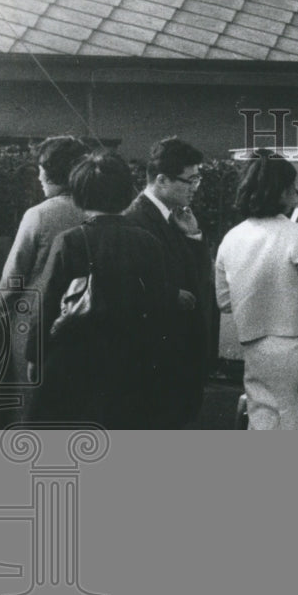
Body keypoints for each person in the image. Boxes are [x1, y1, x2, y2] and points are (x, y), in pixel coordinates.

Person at [25, 152, 173, 427]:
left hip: (73, 359)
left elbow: (46, 303)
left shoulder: (70, 241)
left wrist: (35, 355)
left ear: (79, 194)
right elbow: (160, 305)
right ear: (126, 193)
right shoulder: (149, 243)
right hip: (131, 362)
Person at [214, 149, 298, 429]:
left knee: (264, 421)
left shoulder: (231, 238)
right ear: (282, 191)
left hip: (254, 347)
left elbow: (223, 301)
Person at [0, 136, 89, 410]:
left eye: (41, 167)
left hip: (34, 325)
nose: (39, 176)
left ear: (53, 172)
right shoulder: (98, 211)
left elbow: (14, 277)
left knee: (30, 411)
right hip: (84, 327)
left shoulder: (40, 215)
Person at [123, 137, 213, 428]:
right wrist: (168, 294)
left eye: (197, 179)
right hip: (156, 360)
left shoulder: (174, 218)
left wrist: (194, 236)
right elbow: (127, 284)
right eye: (189, 180)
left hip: (177, 357)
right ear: (161, 180)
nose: (195, 188)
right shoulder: (135, 219)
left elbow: (199, 279)